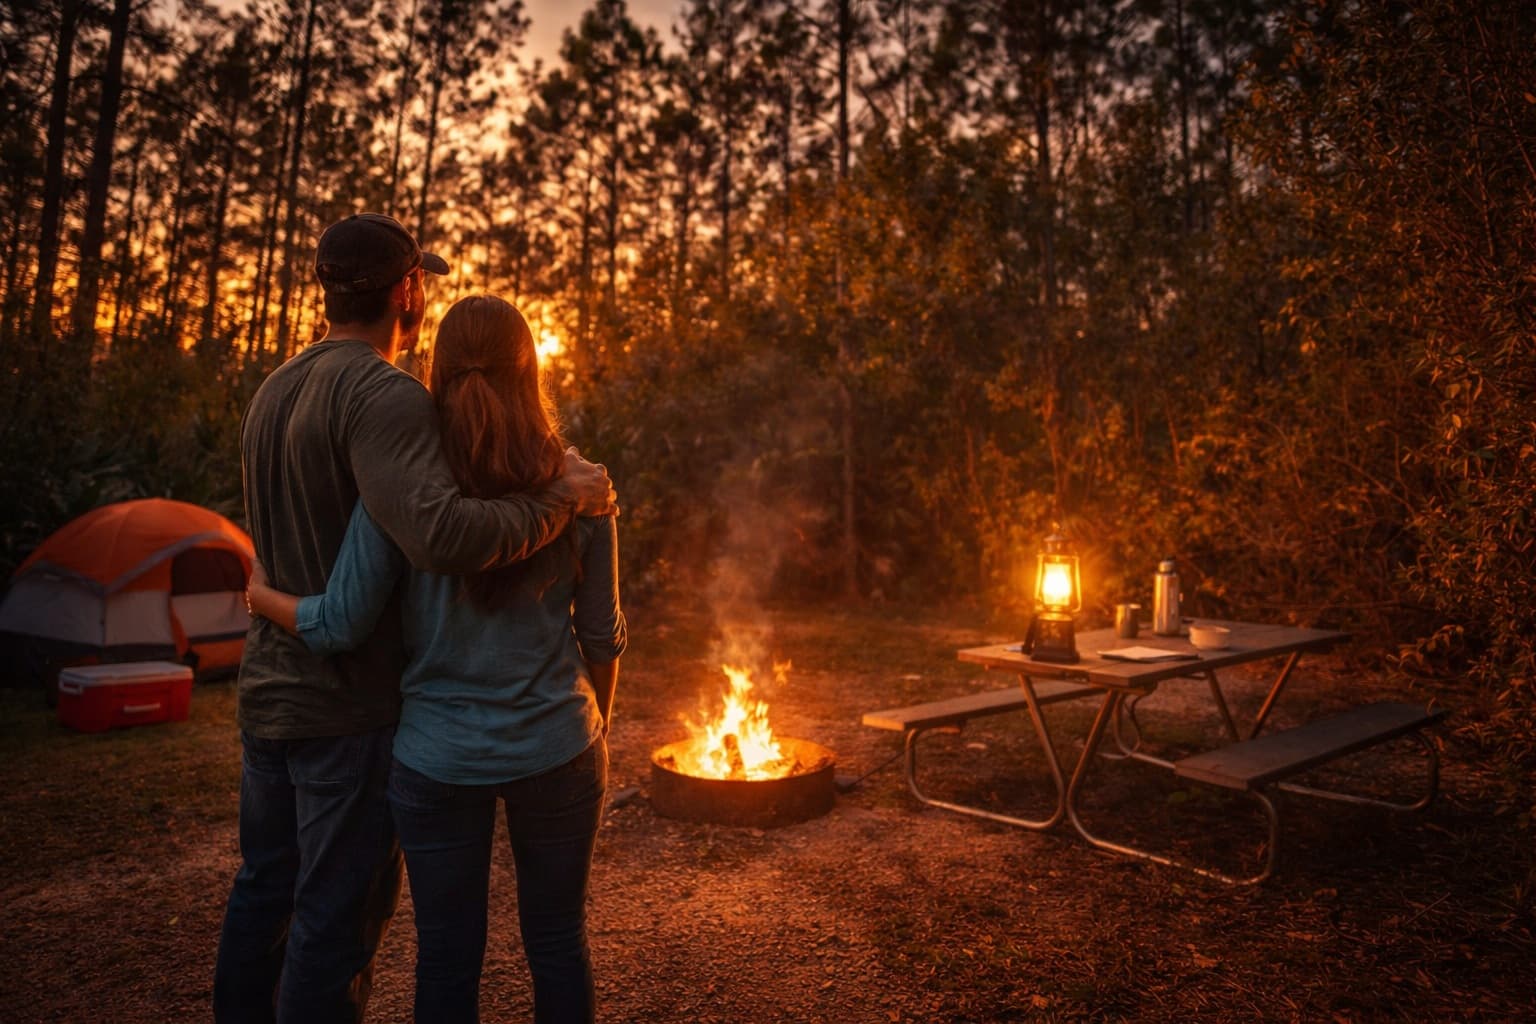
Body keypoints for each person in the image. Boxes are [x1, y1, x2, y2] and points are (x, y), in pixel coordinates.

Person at [215, 214, 616, 1024]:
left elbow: (341, 595)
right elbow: (455, 544)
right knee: (530, 937)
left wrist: (260, 599)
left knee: (279, 900)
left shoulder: (274, 393)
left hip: (297, 702)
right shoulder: (401, 408)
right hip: (372, 714)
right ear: (407, 291)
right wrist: (562, 502)